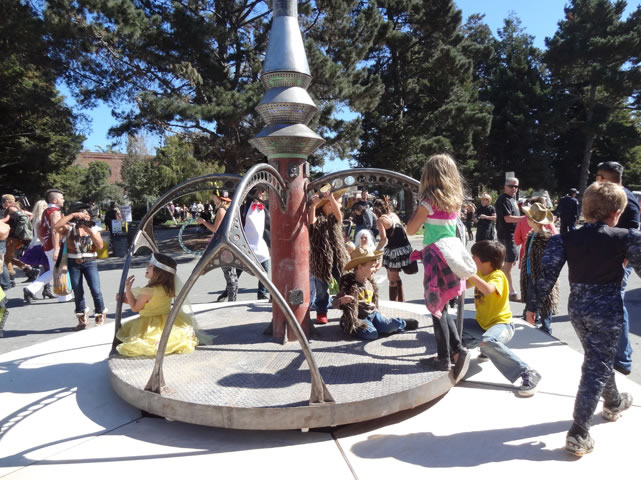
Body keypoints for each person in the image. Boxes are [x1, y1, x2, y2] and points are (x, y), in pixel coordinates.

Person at [527, 182, 638, 456]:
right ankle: (579, 431)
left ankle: (613, 402)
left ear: (585, 210)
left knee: (597, 359)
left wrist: (532, 306)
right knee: (596, 365)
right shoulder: (627, 237)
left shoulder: (564, 239)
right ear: (617, 212)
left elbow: (546, 276)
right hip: (606, 310)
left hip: (577, 308)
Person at [406, 153, 473, 376]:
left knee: (436, 306)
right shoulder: (454, 201)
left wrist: (417, 212)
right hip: (450, 255)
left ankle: (444, 357)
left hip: (434, 258)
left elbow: (411, 230)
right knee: (442, 306)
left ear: (429, 176)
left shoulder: (428, 202)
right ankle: (456, 351)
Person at [468, 240, 542, 396]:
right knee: (454, 329)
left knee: (488, 341)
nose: (471, 258)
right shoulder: (480, 273)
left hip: (502, 326)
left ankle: (527, 372)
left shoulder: (498, 276)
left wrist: (469, 273)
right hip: (482, 325)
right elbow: (460, 284)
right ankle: (485, 351)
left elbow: (488, 290)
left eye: (473, 256)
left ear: (482, 260)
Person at [116, 253, 209, 357]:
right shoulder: (168, 288)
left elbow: (135, 307)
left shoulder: (148, 291)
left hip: (149, 324)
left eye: (151, 266)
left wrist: (128, 289)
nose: (147, 267)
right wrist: (126, 299)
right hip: (167, 321)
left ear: (159, 272)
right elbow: (150, 303)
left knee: (138, 342)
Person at [596, 161, 640, 376]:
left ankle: (622, 359)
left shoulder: (627, 200)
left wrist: (622, 264)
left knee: (615, 305)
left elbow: (632, 235)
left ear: (603, 178)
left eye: (598, 177)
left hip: (620, 262)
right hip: (610, 259)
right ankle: (621, 353)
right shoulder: (613, 195)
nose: (596, 181)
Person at [332, 247, 418, 340]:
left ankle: (403, 323)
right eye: (372, 266)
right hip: (359, 318)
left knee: (388, 325)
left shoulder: (370, 283)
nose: (375, 269)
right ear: (360, 267)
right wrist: (342, 300)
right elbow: (334, 303)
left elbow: (374, 303)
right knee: (371, 334)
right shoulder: (349, 285)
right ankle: (348, 325)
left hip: (373, 315)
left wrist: (379, 313)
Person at [55, 202, 107, 330]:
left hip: (90, 262)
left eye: (87, 214)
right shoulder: (69, 228)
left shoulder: (94, 228)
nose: (85, 217)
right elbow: (56, 227)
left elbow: (100, 246)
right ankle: (82, 318)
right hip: (73, 262)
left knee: (96, 290)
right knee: (78, 291)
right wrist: (72, 215)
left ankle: (100, 313)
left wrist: (90, 231)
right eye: (82, 214)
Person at [309, 185, 349, 324]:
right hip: (321, 258)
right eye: (339, 202)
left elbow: (340, 216)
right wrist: (313, 205)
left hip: (338, 256)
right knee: (321, 288)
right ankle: (321, 312)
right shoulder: (317, 216)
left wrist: (331, 197)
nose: (340, 205)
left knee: (344, 284)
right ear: (327, 204)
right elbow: (311, 222)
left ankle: (347, 310)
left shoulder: (335, 216)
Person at [518, 203, 560, 335]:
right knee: (531, 300)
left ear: (533, 221)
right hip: (530, 274)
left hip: (541, 277)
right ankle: (532, 325)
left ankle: (546, 329)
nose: (526, 219)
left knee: (545, 302)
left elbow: (548, 262)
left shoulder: (545, 238)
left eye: (528, 217)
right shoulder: (532, 235)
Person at [24, 188, 71, 304]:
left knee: (53, 270)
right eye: (62, 198)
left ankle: (31, 289)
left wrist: (44, 242)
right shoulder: (55, 212)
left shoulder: (46, 211)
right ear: (54, 200)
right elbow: (55, 231)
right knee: (61, 270)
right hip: (55, 245)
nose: (64, 200)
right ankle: (63, 296)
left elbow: (39, 228)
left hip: (48, 245)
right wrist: (56, 249)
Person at [196, 190, 240, 302]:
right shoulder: (230, 208)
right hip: (231, 243)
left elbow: (215, 229)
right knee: (232, 274)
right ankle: (232, 299)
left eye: (214, 197)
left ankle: (232, 301)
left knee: (229, 274)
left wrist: (203, 222)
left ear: (218, 198)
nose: (212, 199)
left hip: (224, 245)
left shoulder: (221, 210)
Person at [374, 198, 413, 302]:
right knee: (394, 277)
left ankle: (397, 303)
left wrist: (375, 251)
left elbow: (383, 239)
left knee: (392, 278)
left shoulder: (380, 220)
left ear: (376, 210)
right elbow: (403, 231)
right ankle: (400, 301)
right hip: (405, 248)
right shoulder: (394, 215)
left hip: (394, 250)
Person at [495, 177, 524, 302]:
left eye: (516, 186)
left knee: (509, 263)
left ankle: (494, 283)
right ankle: (511, 292)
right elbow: (508, 219)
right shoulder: (503, 200)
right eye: (511, 186)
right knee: (508, 264)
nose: (514, 189)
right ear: (505, 187)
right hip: (506, 236)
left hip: (513, 235)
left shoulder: (512, 199)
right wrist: (526, 218)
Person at [239, 187, 271, 300]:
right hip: (245, 245)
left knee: (265, 270)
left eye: (262, 192)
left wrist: (270, 245)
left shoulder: (264, 209)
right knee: (236, 271)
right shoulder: (243, 208)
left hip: (260, 245)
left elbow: (268, 228)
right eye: (259, 192)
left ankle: (261, 294)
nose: (261, 194)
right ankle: (229, 291)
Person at [514, 195, 557, 270]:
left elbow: (517, 240)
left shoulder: (522, 221)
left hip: (526, 258)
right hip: (544, 260)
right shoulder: (547, 223)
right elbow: (555, 238)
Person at [1, 194, 37, 285]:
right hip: (13, 237)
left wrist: (18, 230)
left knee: (6, 258)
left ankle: (11, 278)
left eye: (2, 201)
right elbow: (30, 215)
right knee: (8, 257)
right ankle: (29, 270)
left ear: (6, 201)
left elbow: (24, 218)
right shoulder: (16, 207)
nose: (2, 203)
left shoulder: (11, 208)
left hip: (12, 237)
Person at [19, 200, 50, 296]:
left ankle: (45, 290)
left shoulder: (35, 218)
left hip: (35, 244)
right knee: (48, 269)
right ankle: (35, 289)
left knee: (46, 269)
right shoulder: (42, 219)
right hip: (41, 245)